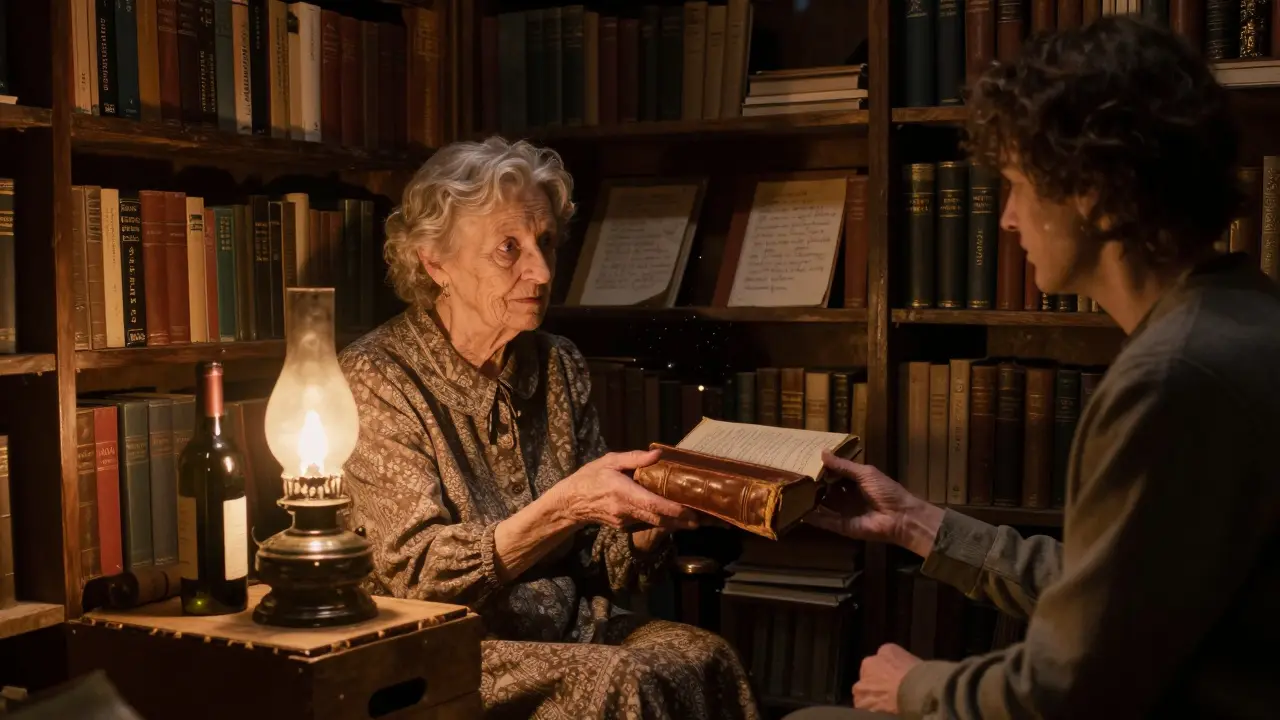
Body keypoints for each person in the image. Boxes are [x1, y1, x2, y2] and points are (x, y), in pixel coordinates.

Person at [791, 16, 1280, 720]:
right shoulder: (1245, 315)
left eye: (1017, 184)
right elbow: (1119, 593)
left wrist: (915, 687)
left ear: (1092, 191)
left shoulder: (1171, 379)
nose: (1008, 219)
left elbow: (1068, 688)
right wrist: (916, 523)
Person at [337, 136, 759, 719]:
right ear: (436, 262)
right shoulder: (377, 374)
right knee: (616, 678)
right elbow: (414, 576)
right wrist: (566, 506)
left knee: (705, 655)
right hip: (450, 647)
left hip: (568, 627)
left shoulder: (557, 362)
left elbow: (601, 557)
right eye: (508, 248)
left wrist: (653, 517)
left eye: (546, 243)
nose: (539, 270)